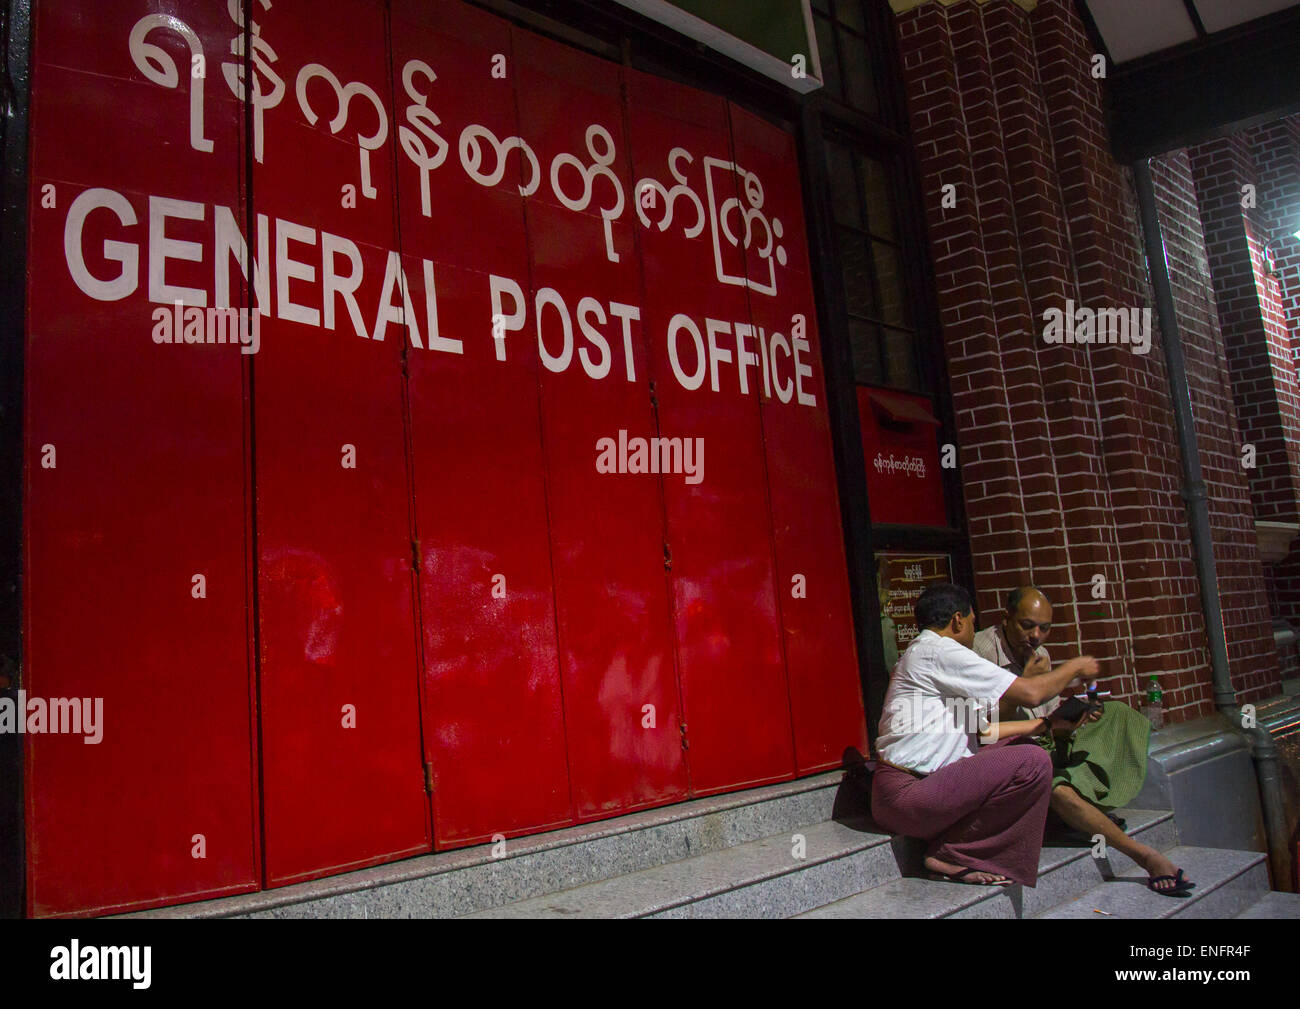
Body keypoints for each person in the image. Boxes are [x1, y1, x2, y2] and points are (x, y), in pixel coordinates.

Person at [871, 582, 1101, 887]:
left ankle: (955, 848)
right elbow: (1031, 694)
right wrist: (1077, 666)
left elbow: (985, 732)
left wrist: (1045, 725)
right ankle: (954, 853)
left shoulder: (924, 655)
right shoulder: (940, 651)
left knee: (1017, 746)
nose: (972, 631)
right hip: (908, 796)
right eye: (972, 622)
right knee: (1032, 761)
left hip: (907, 796)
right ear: (957, 620)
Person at [972, 586, 1194, 896]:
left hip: (1042, 738)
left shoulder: (1041, 654)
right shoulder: (979, 651)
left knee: (1118, 715)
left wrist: (1071, 719)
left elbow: (1047, 718)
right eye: (1027, 625)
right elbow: (983, 729)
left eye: (1044, 628)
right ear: (1006, 619)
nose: (1035, 635)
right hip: (1005, 752)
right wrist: (1024, 681)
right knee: (1056, 786)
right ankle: (1145, 855)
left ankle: (1083, 803)